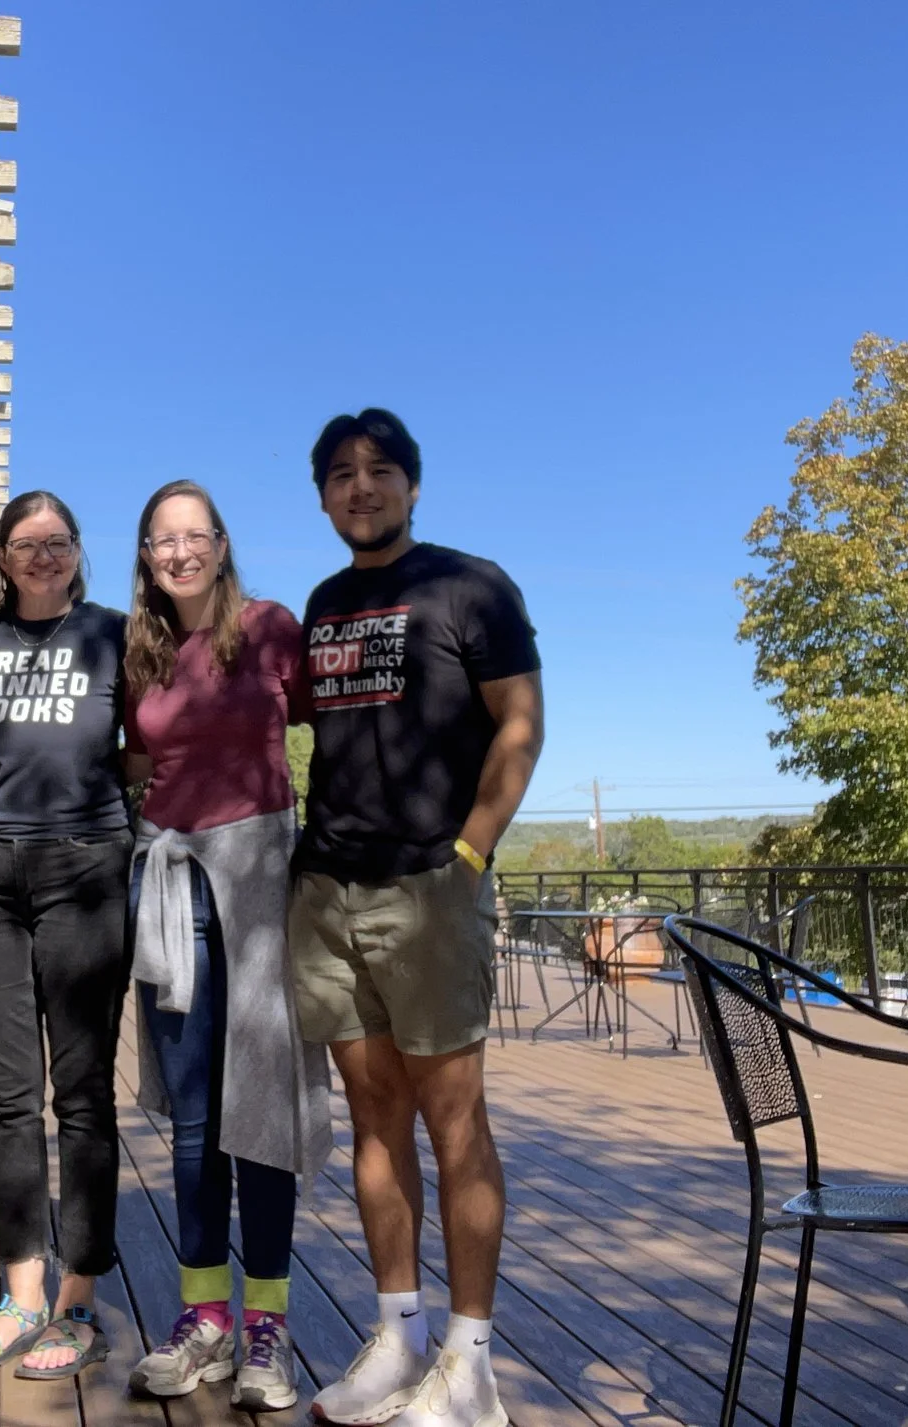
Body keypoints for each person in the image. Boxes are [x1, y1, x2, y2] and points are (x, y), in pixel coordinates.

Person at [291, 411, 544, 1427]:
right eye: (342, 475)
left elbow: (519, 724)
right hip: (325, 892)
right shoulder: (319, 603)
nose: (362, 487)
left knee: (455, 1124)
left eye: (381, 471)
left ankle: (469, 1362)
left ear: (413, 486)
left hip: (428, 888)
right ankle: (395, 1340)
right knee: (373, 1123)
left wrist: (469, 855)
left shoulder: (469, 586)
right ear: (321, 496)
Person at [120, 480, 329, 1412]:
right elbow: (132, 762)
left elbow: (345, 729)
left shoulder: (273, 629)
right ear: (147, 555)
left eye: (193, 535)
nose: (179, 552)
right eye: (162, 540)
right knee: (198, 1119)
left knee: (263, 1110)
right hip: (170, 884)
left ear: (220, 542)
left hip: (256, 885)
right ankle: (204, 1316)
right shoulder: (141, 655)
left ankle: (267, 1328)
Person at [0, 489, 132, 1380]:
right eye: (27, 543)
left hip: (85, 874)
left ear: (78, 552)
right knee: (8, 1093)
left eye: (58, 542)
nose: (43, 555)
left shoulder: (117, 635)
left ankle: (78, 1303)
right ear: (4, 557)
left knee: (83, 1092)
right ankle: (22, 1290)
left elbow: (151, 744)